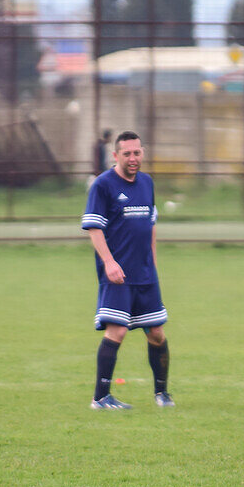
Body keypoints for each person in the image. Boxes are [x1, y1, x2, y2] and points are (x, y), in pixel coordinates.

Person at [81, 130, 173, 410]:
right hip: (117, 274)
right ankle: (100, 397)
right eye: (127, 154)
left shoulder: (146, 183)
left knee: (156, 332)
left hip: (145, 273)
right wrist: (109, 262)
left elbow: (151, 225)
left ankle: (162, 393)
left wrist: (153, 263)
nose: (133, 158)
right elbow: (94, 227)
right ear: (115, 155)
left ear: (142, 152)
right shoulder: (103, 185)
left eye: (137, 153)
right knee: (116, 331)